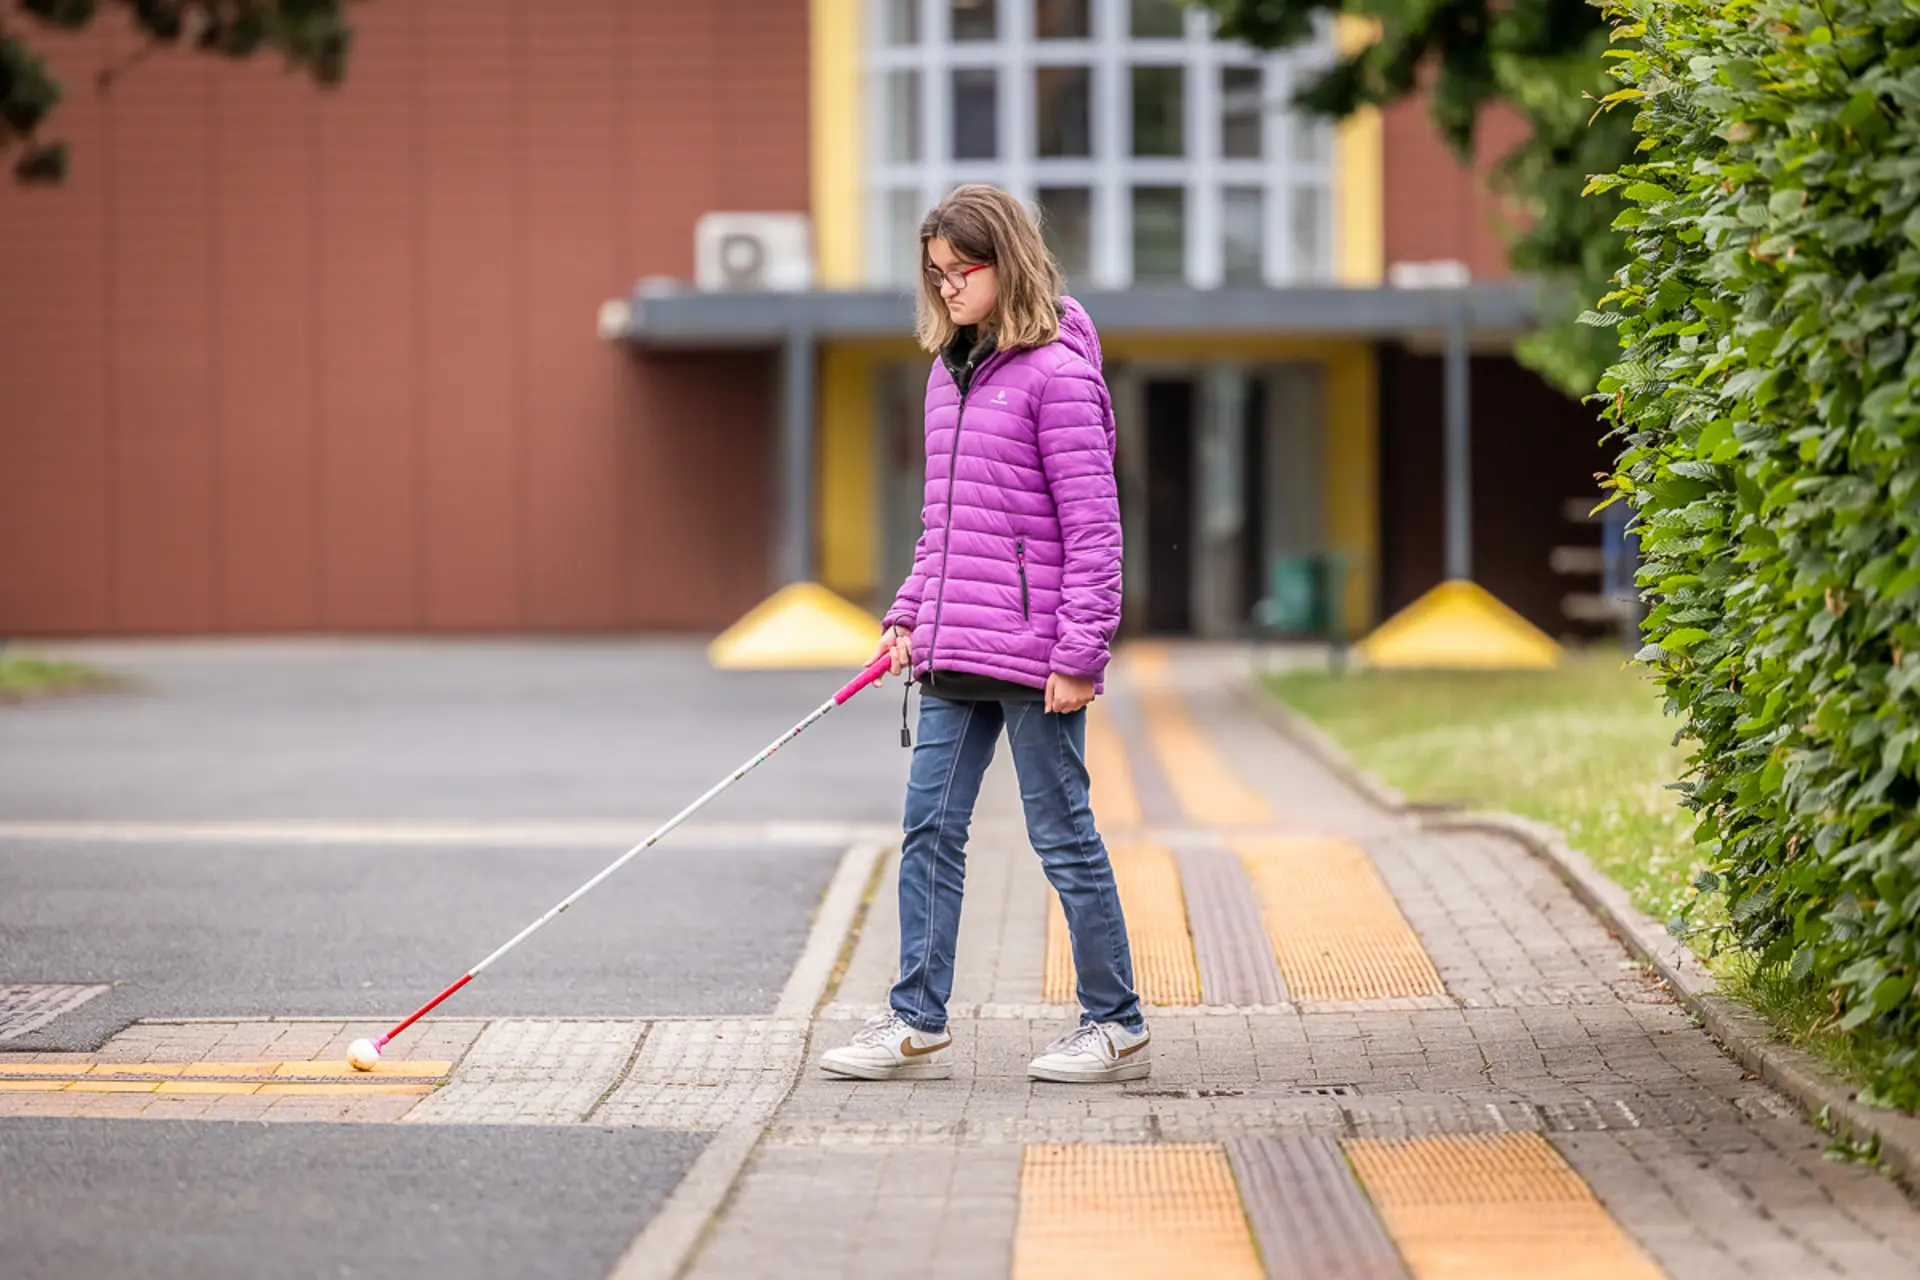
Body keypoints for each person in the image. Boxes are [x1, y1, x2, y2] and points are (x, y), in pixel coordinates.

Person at [820, 184, 1147, 1085]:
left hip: (1041, 657)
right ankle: (914, 1019)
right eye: (934, 275)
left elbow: (1094, 531)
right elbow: (946, 526)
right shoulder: (945, 375)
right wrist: (907, 615)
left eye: (960, 271)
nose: (946, 289)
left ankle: (1114, 1022)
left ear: (1007, 263)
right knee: (928, 827)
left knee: (1062, 836)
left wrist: (1081, 655)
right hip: (954, 648)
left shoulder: (1060, 374)